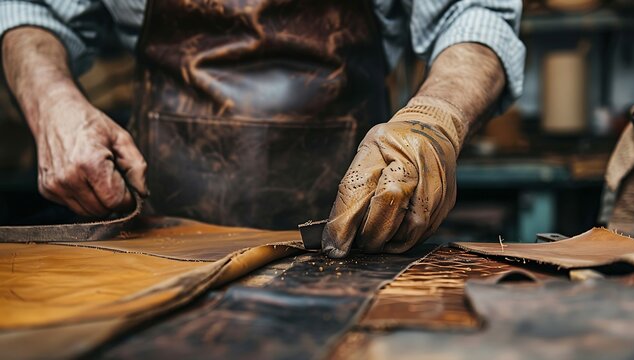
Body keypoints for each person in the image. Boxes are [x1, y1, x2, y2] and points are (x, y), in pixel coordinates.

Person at [0, 0, 524, 257]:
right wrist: (51, 102)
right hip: (155, 241)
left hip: (361, 231)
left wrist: (435, 120)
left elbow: (473, 12)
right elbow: (35, 9)